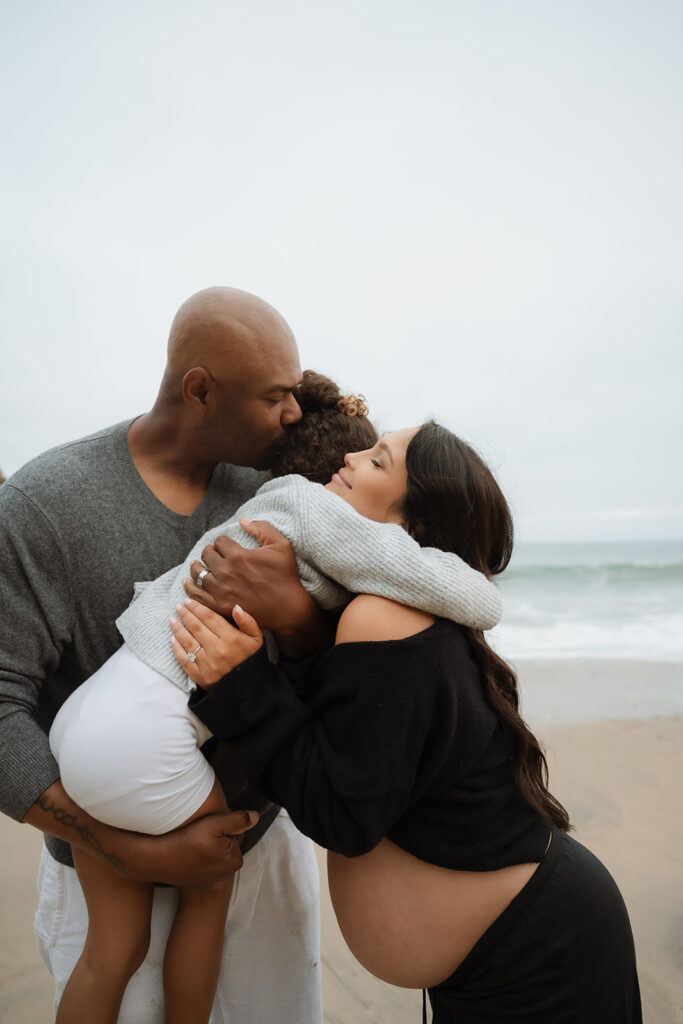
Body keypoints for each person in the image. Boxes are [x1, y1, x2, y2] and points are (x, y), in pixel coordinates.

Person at [49, 371, 502, 1024]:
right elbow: (475, 600)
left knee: (110, 951)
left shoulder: (276, 502)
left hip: (91, 714)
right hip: (137, 740)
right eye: (365, 451)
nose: (352, 459)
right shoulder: (318, 511)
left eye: (376, 460)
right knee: (212, 878)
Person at [174, 421, 642, 1024]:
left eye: (377, 460)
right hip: (521, 946)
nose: (349, 455)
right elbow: (359, 735)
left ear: (410, 525)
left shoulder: (382, 615)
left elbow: (342, 814)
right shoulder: (400, 613)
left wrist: (240, 684)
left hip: (537, 953)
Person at [0, 287, 334, 1024]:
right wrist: (123, 849)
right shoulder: (43, 505)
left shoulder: (280, 492)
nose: (292, 416)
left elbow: (329, 661)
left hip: (261, 847)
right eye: (275, 396)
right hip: (105, 868)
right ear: (200, 389)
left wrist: (300, 615)